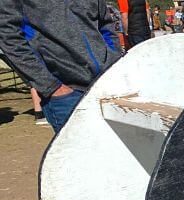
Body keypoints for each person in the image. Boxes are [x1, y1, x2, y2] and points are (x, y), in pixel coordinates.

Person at [0, 0, 121, 133]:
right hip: (67, 93)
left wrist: (114, 59)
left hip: (108, 85)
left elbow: (105, 23)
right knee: (80, 151)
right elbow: (8, 37)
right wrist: (51, 87)